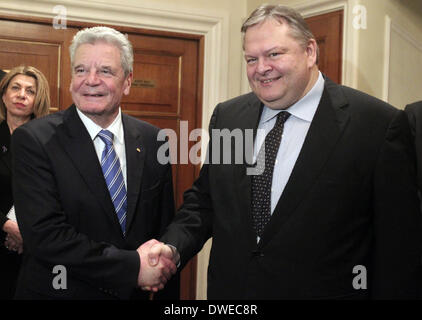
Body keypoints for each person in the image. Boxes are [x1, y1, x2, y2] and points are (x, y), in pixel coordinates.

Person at [147, 4, 422, 299]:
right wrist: (172, 248)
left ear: (310, 52)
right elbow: (205, 202)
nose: (261, 68)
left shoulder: (376, 124)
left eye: (274, 54)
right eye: (251, 59)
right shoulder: (229, 116)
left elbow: (399, 248)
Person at [11, 26, 177, 300]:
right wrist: (133, 267)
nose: (91, 80)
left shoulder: (154, 139)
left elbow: (163, 229)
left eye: (105, 71)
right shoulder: (34, 140)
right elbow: (46, 237)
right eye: (80, 70)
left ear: (127, 81)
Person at [0, 66, 50, 299]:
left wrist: (25, 232)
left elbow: (54, 194)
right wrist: (7, 226)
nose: (21, 95)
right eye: (15, 88)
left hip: (36, 246)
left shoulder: (50, 142)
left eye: (30, 91)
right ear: (4, 94)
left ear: (37, 100)